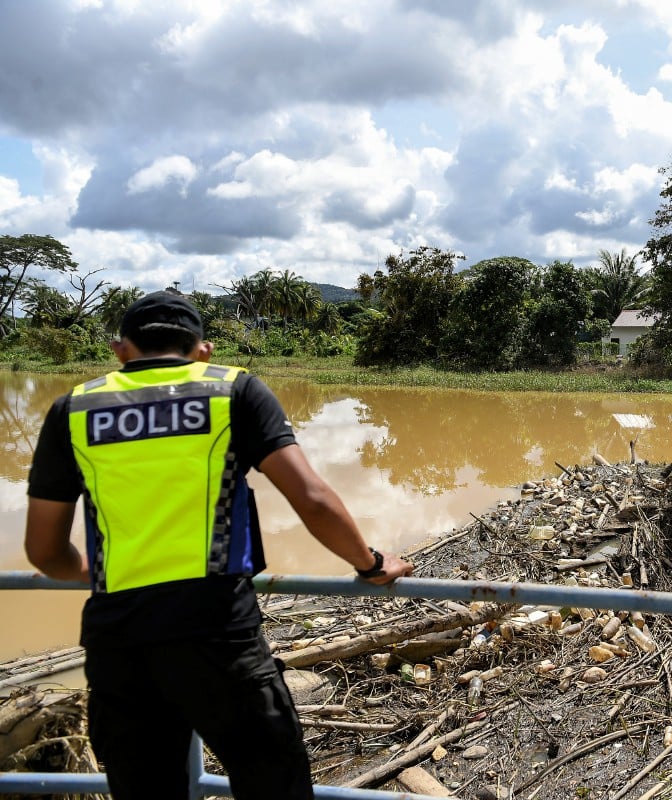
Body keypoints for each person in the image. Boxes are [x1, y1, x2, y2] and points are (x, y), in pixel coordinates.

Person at [24, 292, 414, 800]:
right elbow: (312, 499)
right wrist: (371, 562)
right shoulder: (233, 390)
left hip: (120, 644)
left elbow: (44, 550)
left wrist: (91, 570)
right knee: (275, 784)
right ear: (203, 351)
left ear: (121, 350)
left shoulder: (74, 408)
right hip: (218, 635)